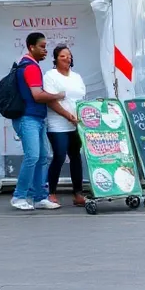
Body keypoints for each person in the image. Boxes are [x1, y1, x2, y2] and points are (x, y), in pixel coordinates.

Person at [11, 32, 65, 211]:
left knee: (42, 157)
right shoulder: (31, 67)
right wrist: (58, 95)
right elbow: (37, 95)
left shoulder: (26, 65)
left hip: (35, 118)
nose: (45, 50)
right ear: (31, 47)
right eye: (42, 46)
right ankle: (19, 196)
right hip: (29, 118)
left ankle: (40, 196)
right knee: (33, 157)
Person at [43, 45, 87, 207]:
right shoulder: (50, 76)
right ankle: (52, 192)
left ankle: (78, 193)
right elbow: (51, 101)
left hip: (76, 124)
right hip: (58, 125)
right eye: (62, 56)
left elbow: (81, 99)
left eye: (69, 56)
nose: (67, 59)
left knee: (76, 156)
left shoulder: (76, 77)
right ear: (55, 59)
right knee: (60, 156)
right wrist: (68, 116)